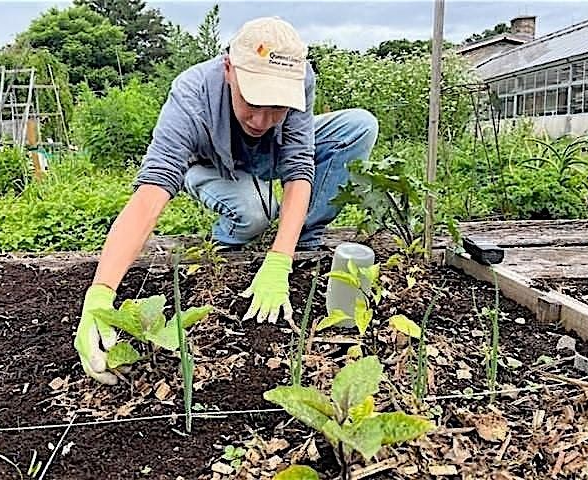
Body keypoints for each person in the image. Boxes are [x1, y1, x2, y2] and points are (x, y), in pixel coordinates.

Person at [74, 16, 379, 384]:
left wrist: (281, 259)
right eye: (253, 101)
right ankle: (230, 244)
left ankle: (298, 240)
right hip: (210, 164)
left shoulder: (301, 79)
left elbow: (298, 165)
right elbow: (149, 196)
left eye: (277, 107)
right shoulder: (191, 96)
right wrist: (101, 292)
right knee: (254, 215)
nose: (264, 119)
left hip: (269, 156)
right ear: (229, 69)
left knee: (359, 126)